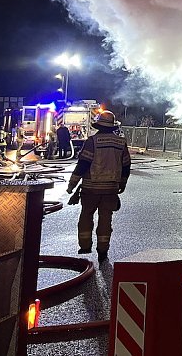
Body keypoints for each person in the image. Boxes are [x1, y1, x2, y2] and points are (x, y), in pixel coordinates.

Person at [67, 110, 131, 261]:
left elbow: (83, 164)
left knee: (86, 215)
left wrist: (72, 184)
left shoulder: (92, 141)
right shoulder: (121, 143)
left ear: (99, 126)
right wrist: (122, 182)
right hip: (111, 189)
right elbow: (126, 165)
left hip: (91, 188)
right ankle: (103, 250)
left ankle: (85, 246)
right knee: (106, 219)